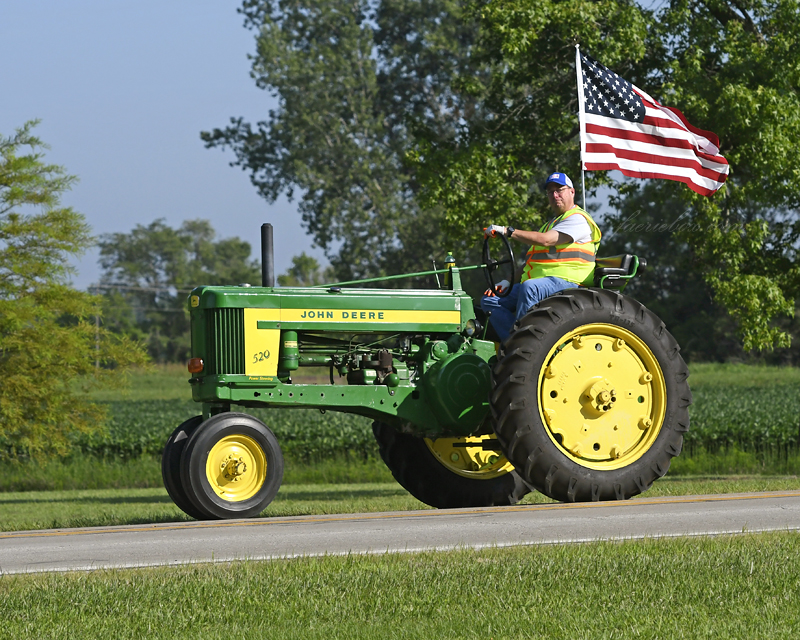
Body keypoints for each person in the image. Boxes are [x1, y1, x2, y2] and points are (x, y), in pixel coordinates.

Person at [481, 171, 602, 342]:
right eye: (550, 192)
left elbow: (546, 241)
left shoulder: (578, 219)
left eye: (559, 190)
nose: (555, 195)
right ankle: (513, 344)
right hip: (543, 282)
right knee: (490, 299)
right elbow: (532, 262)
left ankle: (523, 344)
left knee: (530, 288)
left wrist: (508, 231)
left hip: (571, 282)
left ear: (572, 192)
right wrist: (507, 281)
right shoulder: (551, 224)